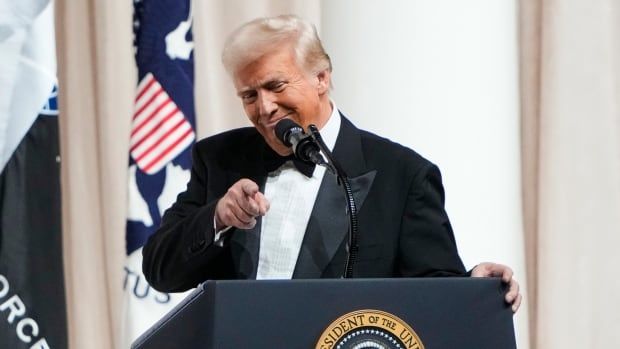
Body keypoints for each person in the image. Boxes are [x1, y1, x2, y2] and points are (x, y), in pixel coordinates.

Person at [142, 15, 521, 312]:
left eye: (276, 86)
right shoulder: (219, 159)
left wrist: (473, 286)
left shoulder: (402, 176)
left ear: (321, 77)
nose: (264, 108)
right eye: (249, 95)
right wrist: (219, 217)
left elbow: (433, 290)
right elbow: (159, 269)